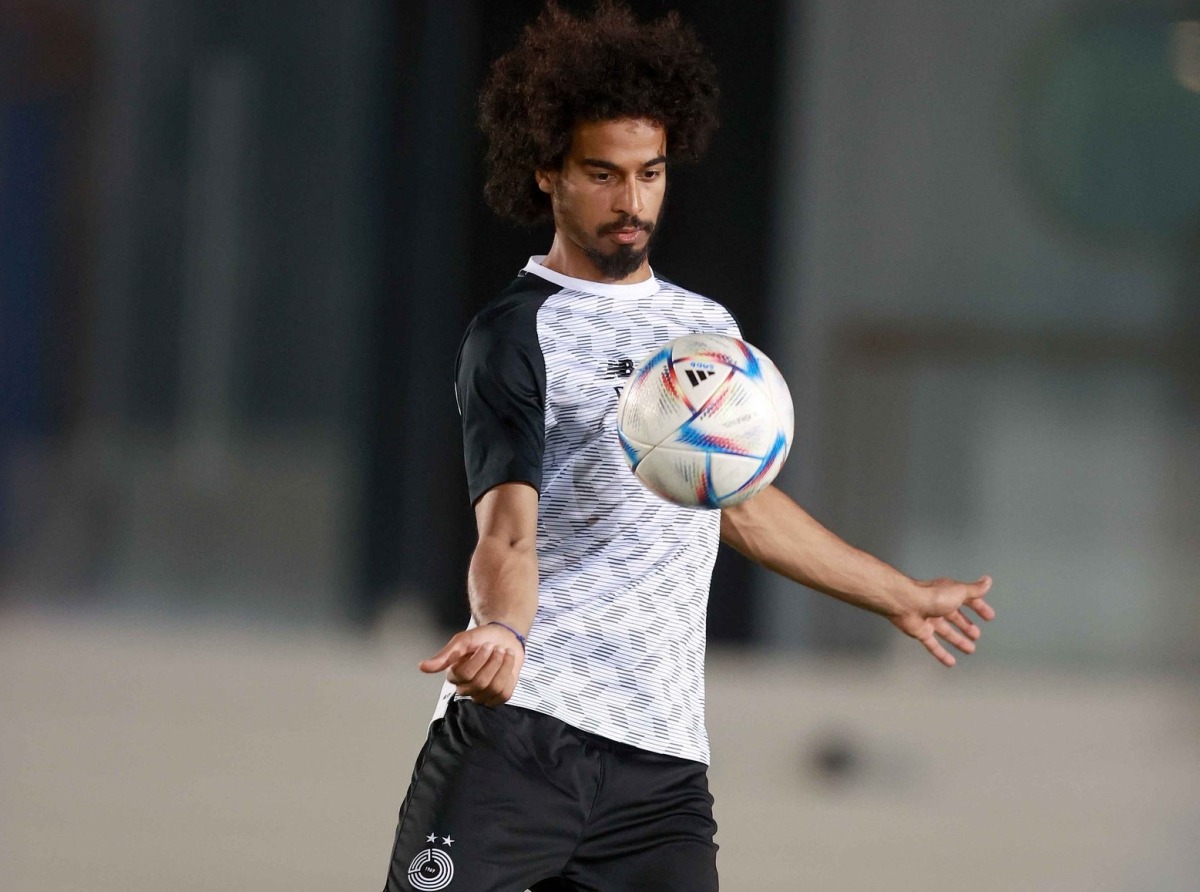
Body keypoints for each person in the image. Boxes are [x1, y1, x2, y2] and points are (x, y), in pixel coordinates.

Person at [382, 4, 995, 891]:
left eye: (651, 173)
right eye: (603, 174)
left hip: (661, 769)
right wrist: (505, 630)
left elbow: (737, 504)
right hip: (526, 733)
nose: (632, 201)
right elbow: (507, 530)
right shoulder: (515, 335)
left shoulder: (705, 331)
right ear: (547, 171)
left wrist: (896, 594)